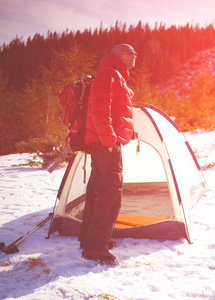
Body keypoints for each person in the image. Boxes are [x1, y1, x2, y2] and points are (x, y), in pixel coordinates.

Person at [78, 44, 137, 266]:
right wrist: (109, 139)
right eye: (128, 53)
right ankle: (95, 248)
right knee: (111, 193)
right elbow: (99, 108)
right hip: (105, 143)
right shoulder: (109, 74)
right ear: (116, 56)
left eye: (135, 54)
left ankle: (89, 238)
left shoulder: (116, 76)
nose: (134, 56)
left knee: (97, 191)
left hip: (103, 142)